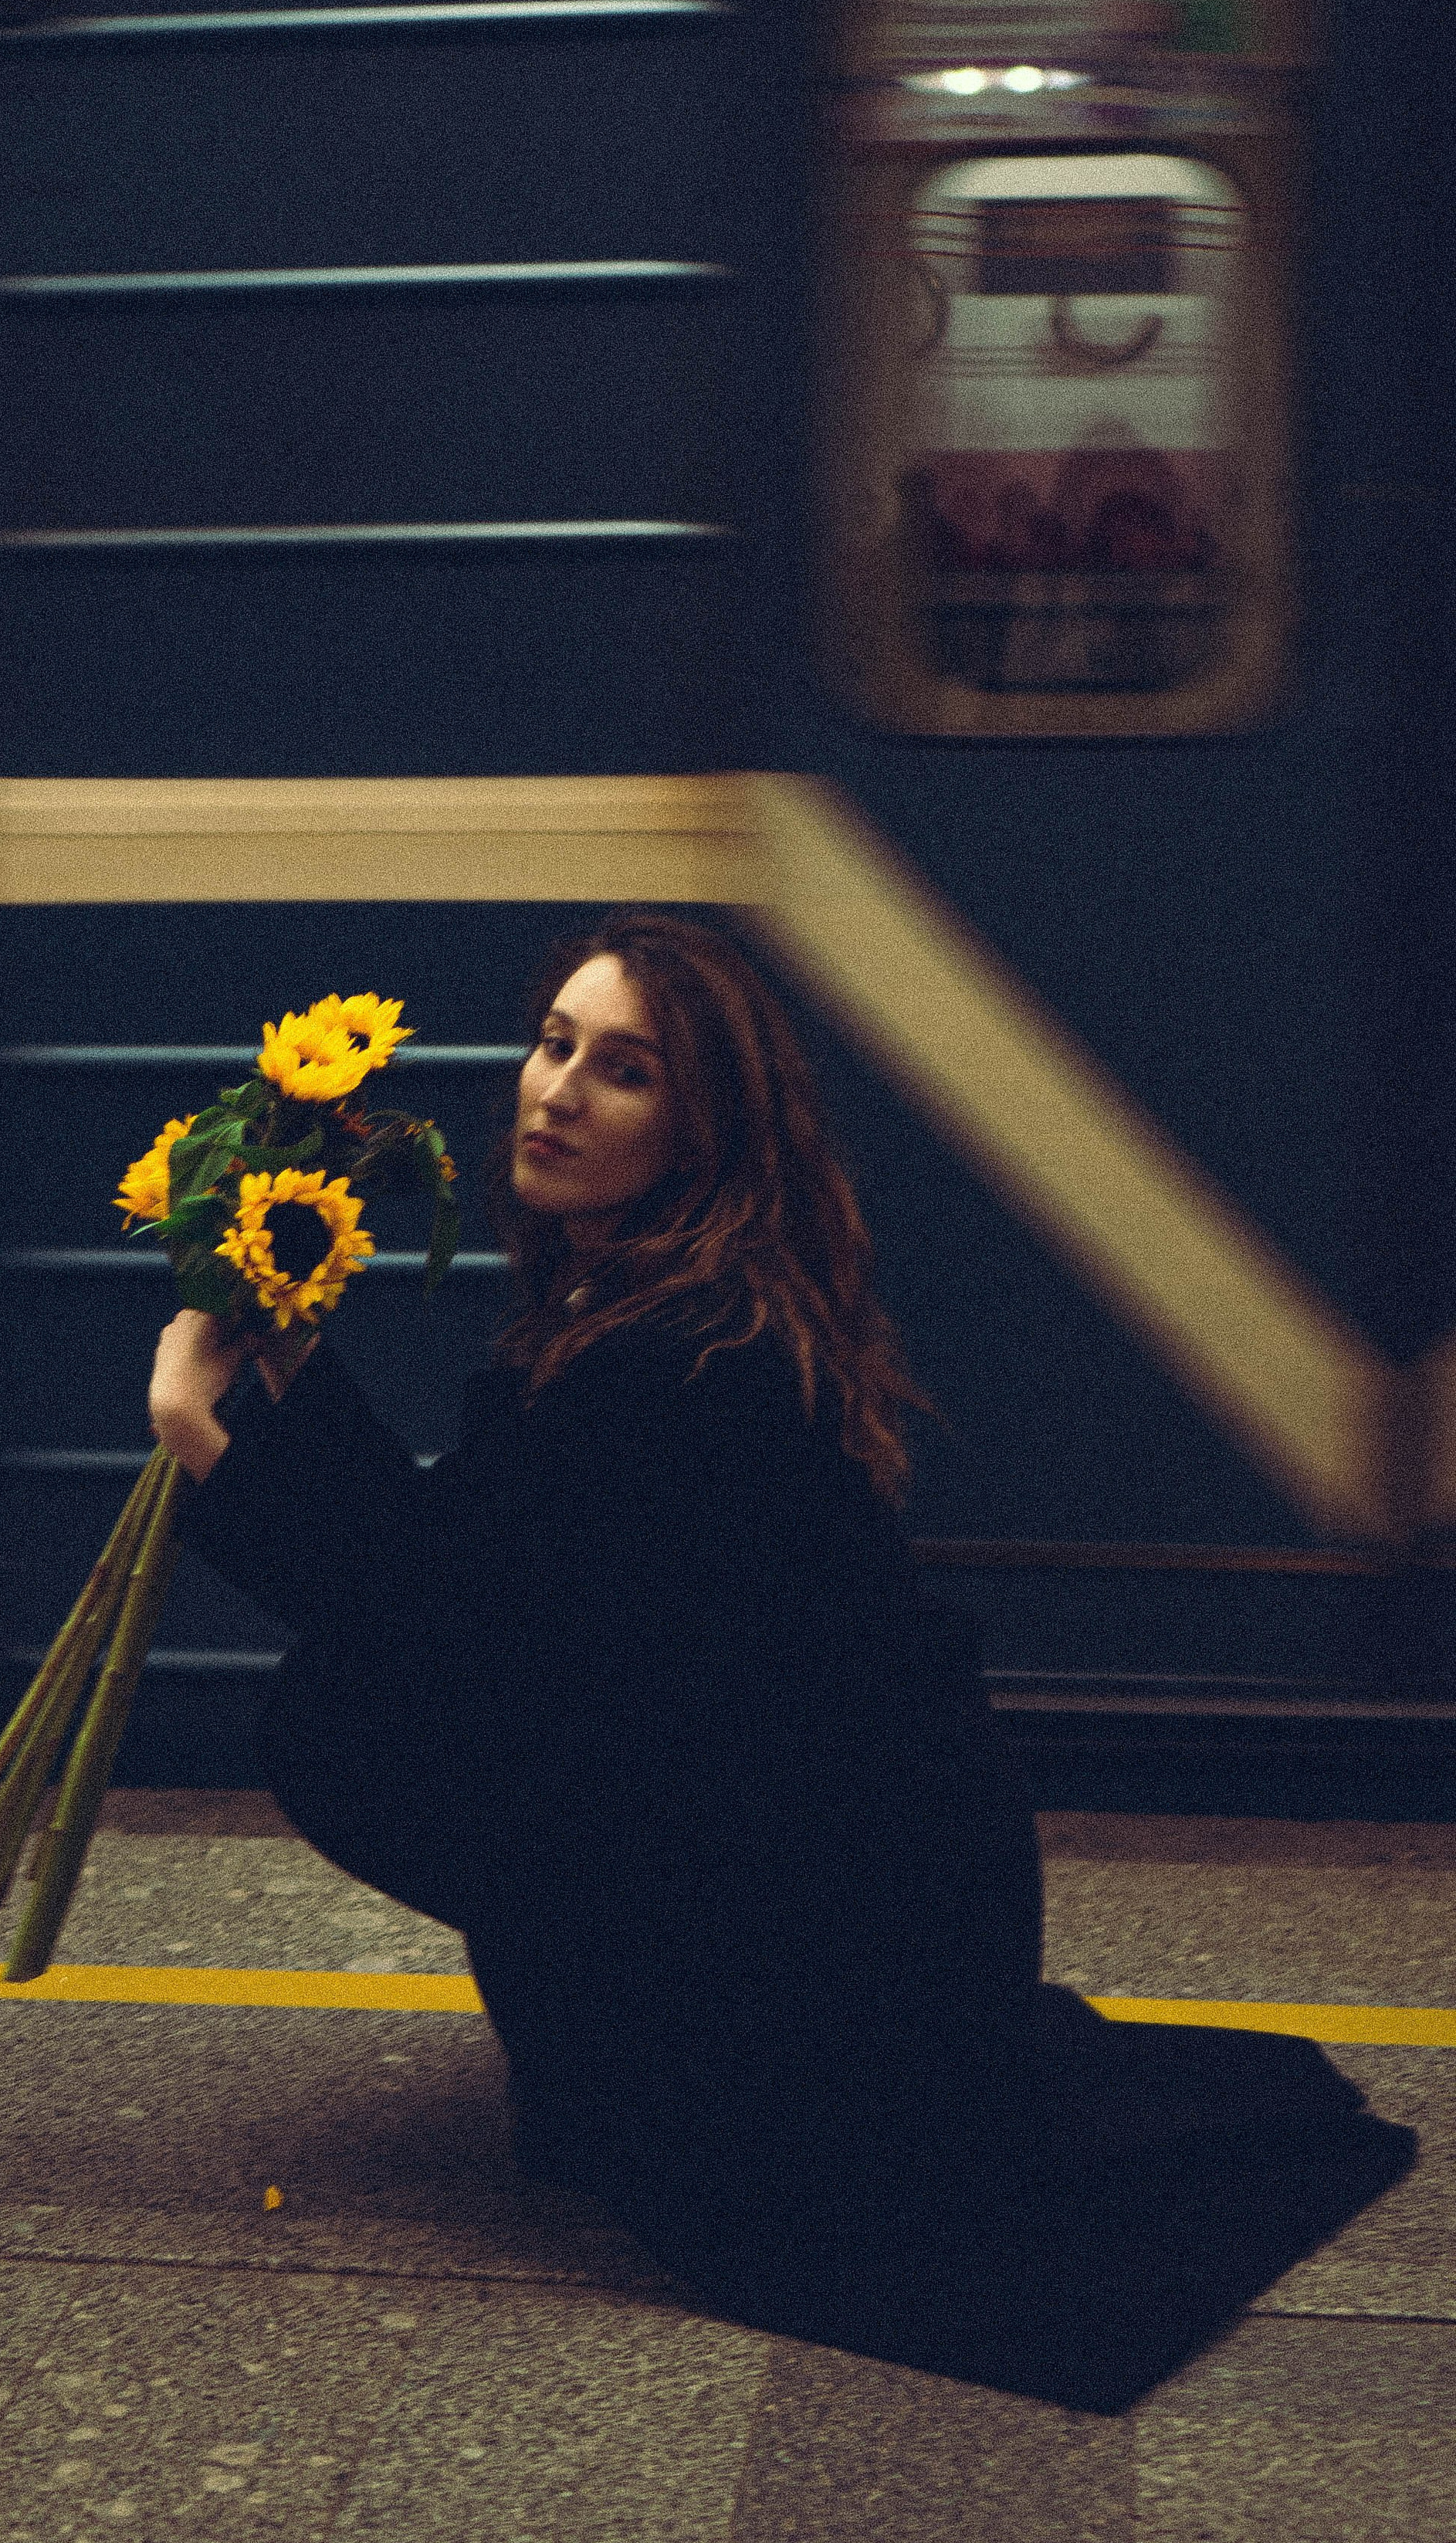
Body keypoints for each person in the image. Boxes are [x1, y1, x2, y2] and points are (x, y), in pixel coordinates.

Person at [147, 910, 1416, 2412]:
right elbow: (472, 1568)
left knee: (360, 1712)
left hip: (825, 1941)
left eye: (621, 1072)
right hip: (846, 1876)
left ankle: (656, 2082)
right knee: (375, 1701)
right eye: (551, 1044)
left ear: (702, 1131)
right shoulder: (648, 1303)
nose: (554, 1091)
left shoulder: (682, 1362)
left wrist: (197, 1425)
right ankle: (618, 2068)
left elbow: (450, 1616)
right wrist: (288, 1350)